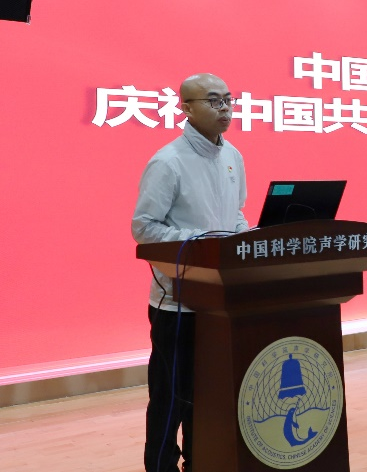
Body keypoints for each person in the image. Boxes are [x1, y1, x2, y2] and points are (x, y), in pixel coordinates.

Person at [131, 73, 249, 472]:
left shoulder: (233, 156)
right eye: (214, 101)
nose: (225, 109)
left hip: (219, 298)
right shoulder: (168, 161)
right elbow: (144, 228)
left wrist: (244, 237)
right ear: (186, 108)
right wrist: (203, 241)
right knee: (171, 398)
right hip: (177, 304)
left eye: (228, 99)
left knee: (209, 396)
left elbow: (234, 214)